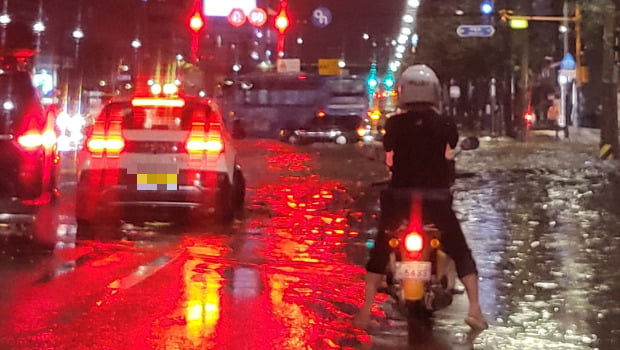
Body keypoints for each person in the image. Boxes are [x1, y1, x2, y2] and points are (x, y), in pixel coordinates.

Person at [353, 64, 488, 331]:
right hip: (436, 202)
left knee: (380, 250)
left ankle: (366, 311)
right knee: (461, 252)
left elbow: (388, 151)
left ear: (402, 92)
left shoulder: (393, 124)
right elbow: (450, 150)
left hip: (398, 201)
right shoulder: (445, 124)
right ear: (435, 92)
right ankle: (475, 310)